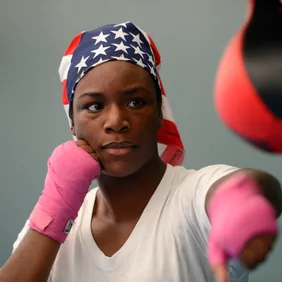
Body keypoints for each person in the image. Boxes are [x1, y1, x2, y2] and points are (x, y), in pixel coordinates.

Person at [0, 21, 281, 282]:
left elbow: (247, 187)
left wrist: (239, 202)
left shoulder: (191, 197)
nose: (116, 122)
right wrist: (56, 204)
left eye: (135, 102)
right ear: (73, 123)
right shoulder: (58, 220)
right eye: (95, 106)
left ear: (160, 112)